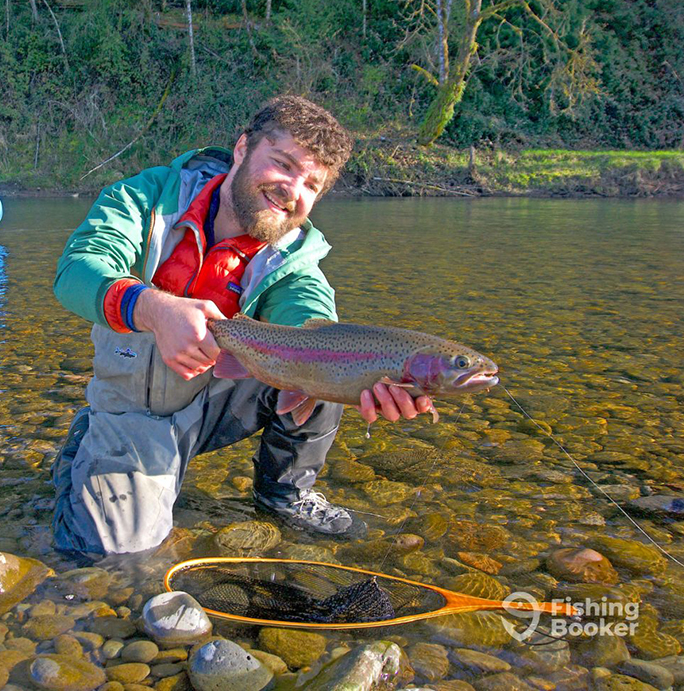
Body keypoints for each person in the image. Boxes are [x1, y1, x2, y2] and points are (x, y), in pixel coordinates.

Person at [51, 95, 431, 558]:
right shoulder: (144, 199)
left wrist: (373, 379)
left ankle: (284, 494)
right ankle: (92, 437)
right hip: (135, 406)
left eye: (311, 184)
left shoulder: (296, 258)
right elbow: (76, 271)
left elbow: (310, 316)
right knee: (115, 553)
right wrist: (154, 310)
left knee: (331, 364)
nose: (293, 189)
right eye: (283, 164)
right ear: (242, 149)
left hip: (215, 397)